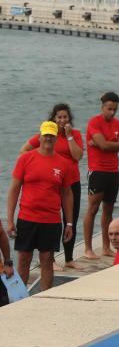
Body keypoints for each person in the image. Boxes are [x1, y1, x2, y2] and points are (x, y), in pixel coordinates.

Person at [7, 121, 73, 291]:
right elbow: (14, 189)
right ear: (40, 136)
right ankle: (19, 298)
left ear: (56, 138)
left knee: (47, 259)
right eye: (46, 135)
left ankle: (44, 298)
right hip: (27, 218)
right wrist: (10, 220)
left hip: (51, 220)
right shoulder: (25, 159)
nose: (49, 138)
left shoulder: (63, 163)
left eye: (52, 135)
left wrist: (70, 223)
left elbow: (67, 194)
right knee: (23, 259)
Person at [19, 103, 84, 270]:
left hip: (71, 182)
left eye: (65, 117)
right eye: (59, 117)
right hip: (52, 182)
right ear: (53, 119)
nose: (62, 120)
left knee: (70, 220)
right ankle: (50, 260)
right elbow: (24, 150)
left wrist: (69, 136)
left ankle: (69, 258)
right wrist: (40, 165)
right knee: (52, 219)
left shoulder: (74, 134)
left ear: (69, 119)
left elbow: (77, 156)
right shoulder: (46, 135)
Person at [83, 91, 119, 260]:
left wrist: (108, 145)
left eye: (115, 109)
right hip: (97, 170)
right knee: (93, 208)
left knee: (108, 210)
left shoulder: (118, 123)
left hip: (113, 171)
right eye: (109, 109)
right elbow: (104, 146)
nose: (112, 112)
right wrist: (113, 144)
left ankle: (106, 247)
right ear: (102, 107)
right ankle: (88, 248)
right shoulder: (94, 122)